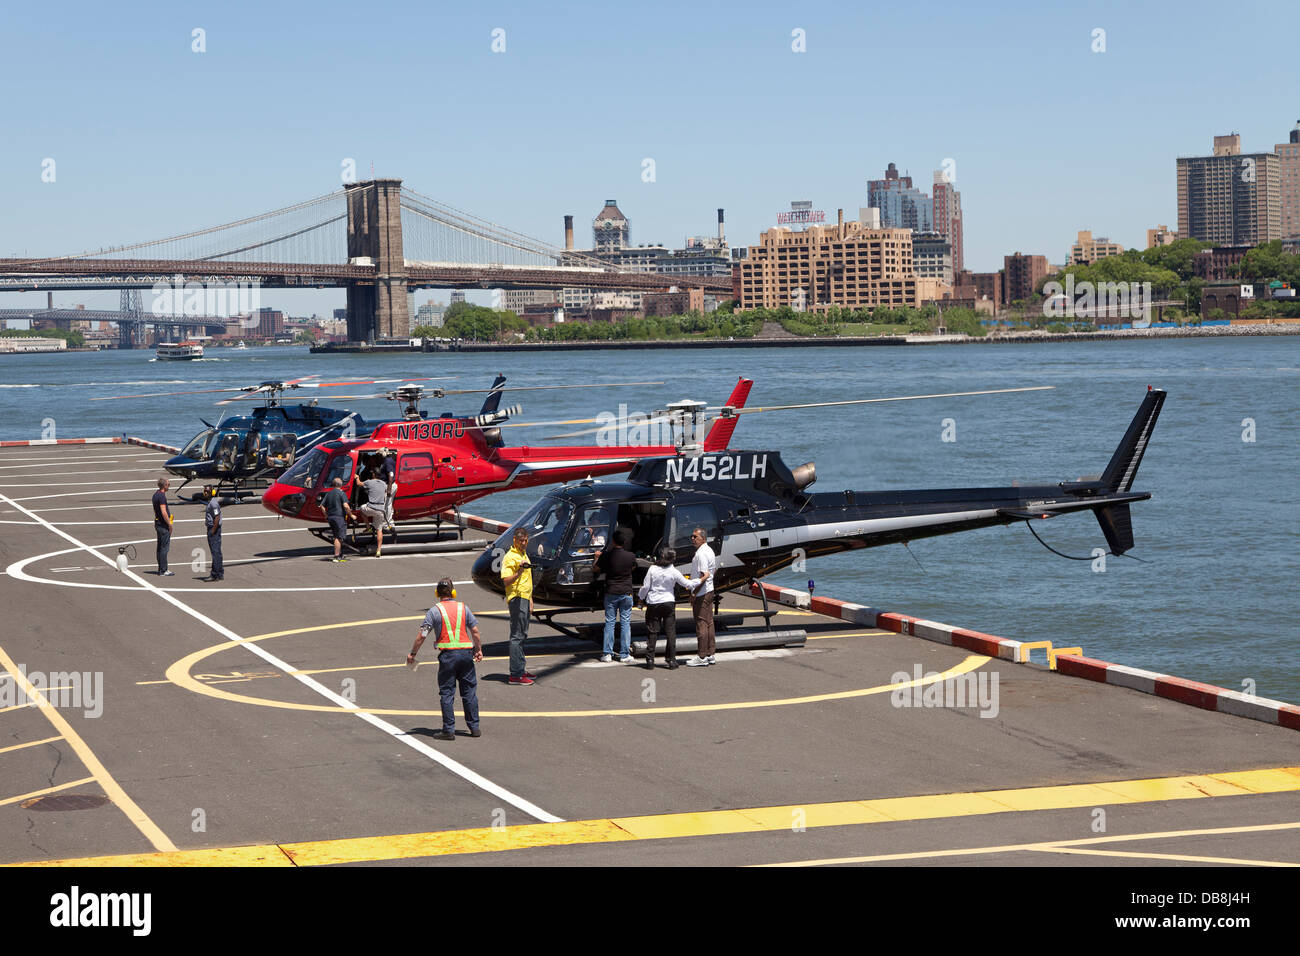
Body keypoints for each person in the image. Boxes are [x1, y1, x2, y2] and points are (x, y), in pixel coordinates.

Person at [408, 578, 483, 741]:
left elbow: (422, 635)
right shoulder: (464, 608)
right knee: (469, 691)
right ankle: (474, 727)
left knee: (447, 693)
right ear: (453, 592)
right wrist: (478, 649)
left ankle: (449, 729)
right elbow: (475, 631)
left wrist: (413, 654)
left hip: (448, 656)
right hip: (465, 654)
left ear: (437, 593)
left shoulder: (434, 611)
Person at [637, 547, 692, 669]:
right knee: (670, 632)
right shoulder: (674, 571)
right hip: (668, 601)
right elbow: (687, 584)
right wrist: (702, 579)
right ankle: (671, 660)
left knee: (653, 631)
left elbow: (646, 587)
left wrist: (640, 599)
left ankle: (650, 659)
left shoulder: (652, 569)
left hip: (654, 602)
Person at [594, 528, 638, 663]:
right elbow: (633, 568)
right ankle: (625, 654)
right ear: (624, 542)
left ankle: (607, 653)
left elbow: (596, 568)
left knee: (610, 622)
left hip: (611, 591)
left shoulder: (607, 555)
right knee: (625, 623)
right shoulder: (630, 556)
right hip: (626, 591)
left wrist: (596, 557)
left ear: (613, 541)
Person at [500, 527, 536, 685]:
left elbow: (528, 580)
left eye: (526, 540)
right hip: (517, 597)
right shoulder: (510, 557)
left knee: (523, 634)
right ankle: (515, 674)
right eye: (521, 540)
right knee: (517, 635)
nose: (524, 543)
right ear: (515, 540)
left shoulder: (523, 554)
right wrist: (519, 572)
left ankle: (520, 669)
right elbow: (506, 580)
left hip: (525, 597)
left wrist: (530, 599)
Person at [685, 526, 718, 666]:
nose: (692, 539)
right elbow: (713, 571)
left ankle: (702, 656)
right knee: (709, 623)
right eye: (692, 536)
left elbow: (703, 576)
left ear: (703, 538)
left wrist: (694, 593)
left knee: (701, 624)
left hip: (702, 593)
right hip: (709, 590)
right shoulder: (709, 550)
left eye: (695, 537)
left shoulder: (701, 554)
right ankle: (710, 653)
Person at [321, 477, 354, 562]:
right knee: (338, 537)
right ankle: (336, 556)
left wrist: (326, 515)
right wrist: (351, 515)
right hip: (339, 517)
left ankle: (340, 553)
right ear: (341, 484)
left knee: (337, 535)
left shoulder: (329, 493)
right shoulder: (341, 493)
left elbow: (322, 506)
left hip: (331, 517)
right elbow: (346, 506)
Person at [358, 469, 388, 556]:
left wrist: (356, 477)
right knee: (379, 530)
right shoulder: (383, 484)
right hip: (380, 510)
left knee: (362, 509)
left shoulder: (369, 482)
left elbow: (359, 484)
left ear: (374, 474)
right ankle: (378, 550)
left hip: (371, 507)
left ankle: (368, 527)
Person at [152, 477, 174, 577]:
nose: (169, 486)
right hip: (163, 525)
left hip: (157, 523)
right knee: (164, 548)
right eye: (168, 484)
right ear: (164, 485)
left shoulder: (155, 495)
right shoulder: (161, 497)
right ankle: (163, 570)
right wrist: (169, 524)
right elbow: (164, 512)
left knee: (159, 547)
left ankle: (161, 568)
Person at [203, 486, 223, 581]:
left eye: (207, 491)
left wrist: (212, 531)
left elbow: (217, 517)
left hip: (213, 529)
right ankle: (219, 573)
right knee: (217, 552)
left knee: (215, 552)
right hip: (213, 528)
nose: (205, 493)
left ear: (212, 492)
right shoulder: (211, 502)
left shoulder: (213, 504)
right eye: (204, 491)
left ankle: (214, 574)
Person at [380, 452, 397, 530]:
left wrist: (389, 488)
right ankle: (389, 521)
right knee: (388, 504)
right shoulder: (388, 460)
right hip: (389, 484)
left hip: (389, 485)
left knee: (387, 504)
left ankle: (388, 523)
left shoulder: (387, 461)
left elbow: (391, 474)